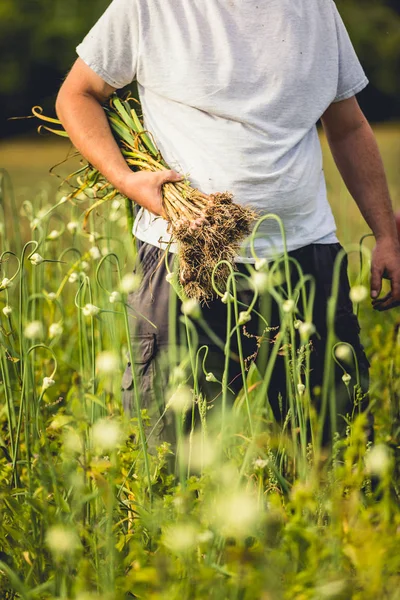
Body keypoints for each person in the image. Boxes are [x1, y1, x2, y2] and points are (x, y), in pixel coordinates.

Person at [56, 0, 400, 449]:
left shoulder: (316, 8)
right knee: (173, 456)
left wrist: (388, 235)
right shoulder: (149, 6)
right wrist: (126, 180)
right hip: (185, 258)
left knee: (338, 451)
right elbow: (77, 94)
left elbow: (349, 126)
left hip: (307, 255)